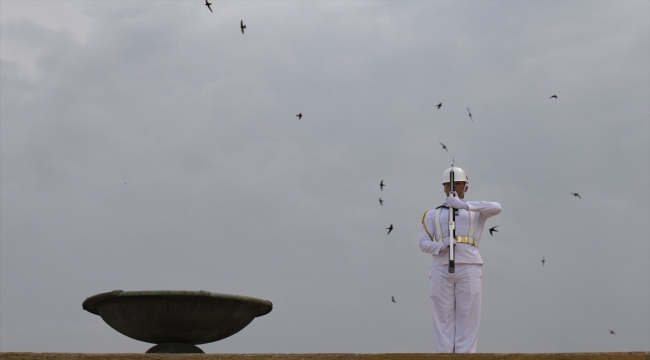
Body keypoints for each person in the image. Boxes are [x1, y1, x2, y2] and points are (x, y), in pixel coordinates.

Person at [419, 167, 501, 353]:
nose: (453, 187)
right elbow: (423, 243)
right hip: (441, 264)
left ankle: (465, 355)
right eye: (448, 184)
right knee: (442, 315)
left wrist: (463, 205)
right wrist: (441, 245)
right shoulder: (433, 214)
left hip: (469, 264)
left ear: (466, 187)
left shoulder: (476, 211)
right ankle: (444, 354)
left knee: (468, 314)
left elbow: (497, 207)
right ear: (443, 188)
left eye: (457, 183)